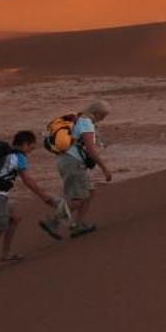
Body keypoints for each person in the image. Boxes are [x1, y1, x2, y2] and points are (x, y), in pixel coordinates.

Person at [0, 131, 60, 275]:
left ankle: (6, 253)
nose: (32, 150)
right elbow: (27, 180)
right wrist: (45, 197)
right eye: (31, 146)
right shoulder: (19, 157)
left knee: (15, 218)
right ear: (25, 144)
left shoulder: (5, 154)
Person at [46, 98, 112, 240]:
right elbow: (90, 149)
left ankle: (78, 224)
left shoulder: (80, 119)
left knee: (89, 192)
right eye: (103, 115)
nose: (104, 119)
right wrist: (104, 168)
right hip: (74, 163)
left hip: (69, 161)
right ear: (96, 112)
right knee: (79, 198)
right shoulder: (86, 123)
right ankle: (53, 222)